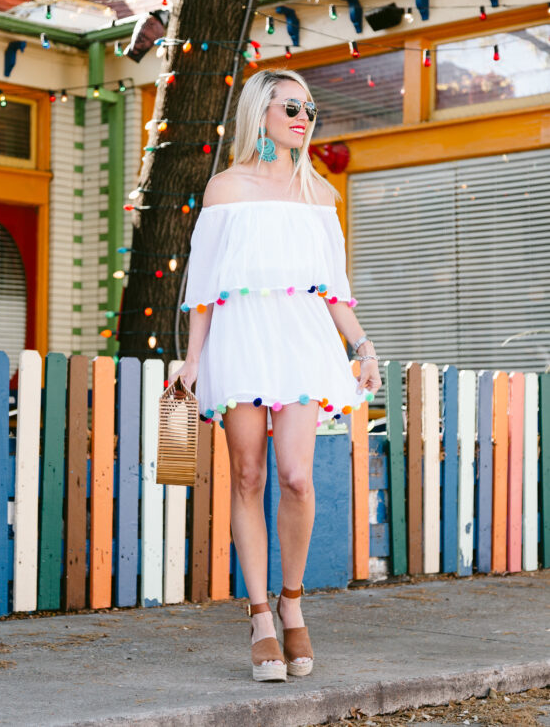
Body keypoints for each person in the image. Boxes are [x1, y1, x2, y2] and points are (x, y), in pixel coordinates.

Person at [171, 69, 381, 682]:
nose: (302, 116)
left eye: (309, 108)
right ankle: (261, 616)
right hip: (239, 339)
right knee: (246, 473)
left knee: (295, 477)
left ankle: (293, 603)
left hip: (302, 343)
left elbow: (334, 292)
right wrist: (192, 357)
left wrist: (363, 346)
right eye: (290, 105)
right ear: (260, 113)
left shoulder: (321, 196)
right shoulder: (225, 191)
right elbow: (204, 288)